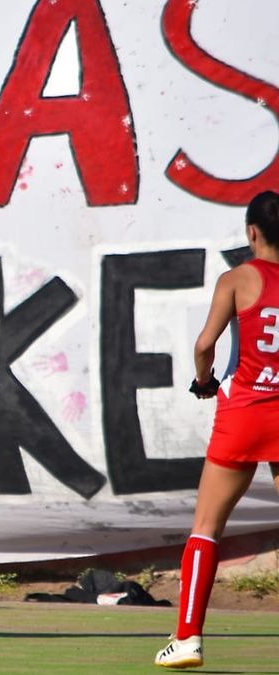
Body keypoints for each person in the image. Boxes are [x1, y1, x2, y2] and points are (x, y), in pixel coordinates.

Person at [154, 190, 279, 669]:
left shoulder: (237, 279)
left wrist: (203, 382)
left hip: (244, 414)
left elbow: (205, 344)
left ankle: (187, 639)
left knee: (206, 528)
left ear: (252, 233)